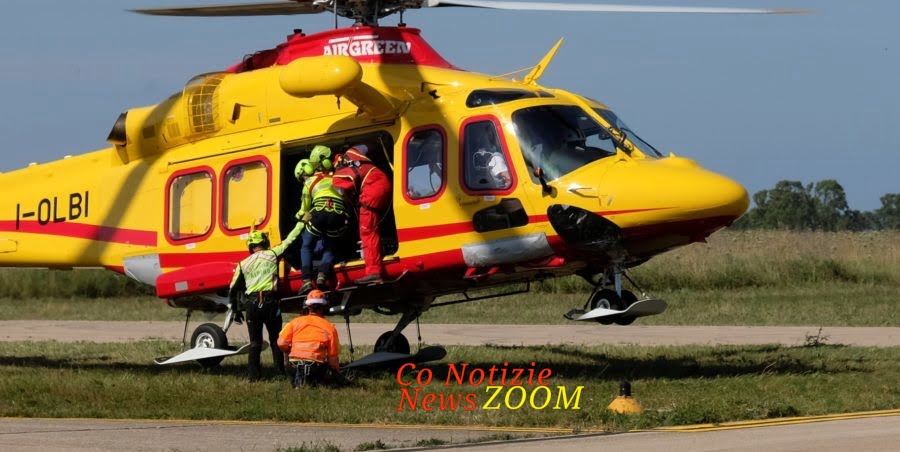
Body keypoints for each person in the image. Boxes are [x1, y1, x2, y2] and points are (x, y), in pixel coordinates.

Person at [229, 223, 303, 380]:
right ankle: (280, 373)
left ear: (250, 246)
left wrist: (235, 311)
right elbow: (290, 240)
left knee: (255, 343)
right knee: (276, 340)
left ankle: (253, 377)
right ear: (264, 242)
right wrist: (302, 222)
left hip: (252, 305)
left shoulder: (243, 264)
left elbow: (232, 289)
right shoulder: (272, 254)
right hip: (271, 303)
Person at [332, 144, 392, 284]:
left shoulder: (338, 176)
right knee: (375, 224)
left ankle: (374, 272)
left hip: (371, 190)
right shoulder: (353, 151)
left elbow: (343, 195)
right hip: (382, 180)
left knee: (367, 232)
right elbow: (368, 146)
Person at [299, 145, 351, 293]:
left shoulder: (309, 182)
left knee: (307, 245)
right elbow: (348, 199)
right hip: (338, 215)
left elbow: (304, 209)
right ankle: (322, 275)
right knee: (330, 246)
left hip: (319, 214)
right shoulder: (339, 177)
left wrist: (298, 218)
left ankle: (307, 280)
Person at [277, 289, 341, 388]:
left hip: (293, 366)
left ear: (308, 306)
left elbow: (281, 343)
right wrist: (336, 373)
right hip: (315, 369)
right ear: (324, 307)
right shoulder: (330, 327)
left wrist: (289, 351)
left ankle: (298, 382)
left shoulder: (295, 322)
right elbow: (333, 358)